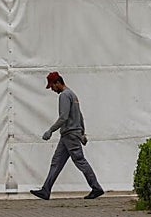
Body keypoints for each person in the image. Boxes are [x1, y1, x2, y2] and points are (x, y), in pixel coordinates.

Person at [30, 71, 105, 200]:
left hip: (70, 135)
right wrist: (82, 132)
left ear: (58, 82)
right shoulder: (73, 95)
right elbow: (80, 115)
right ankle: (45, 190)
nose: (52, 89)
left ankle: (96, 188)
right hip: (69, 135)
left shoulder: (64, 96)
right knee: (56, 162)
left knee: (80, 161)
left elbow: (63, 117)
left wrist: (50, 130)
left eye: (52, 86)